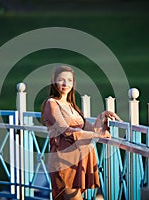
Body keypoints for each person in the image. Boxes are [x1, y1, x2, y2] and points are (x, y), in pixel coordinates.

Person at [41, 65, 120, 200]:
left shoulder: (72, 105)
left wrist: (102, 117)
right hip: (63, 160)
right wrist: (97, 135)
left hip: (78, 161)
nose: (66, 84)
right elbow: (66, 131)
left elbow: (89, 129)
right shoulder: (52, 103)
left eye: (69, 80)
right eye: (61, 80)